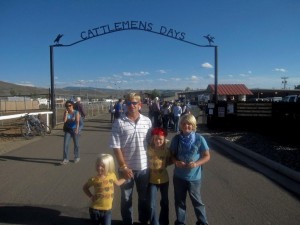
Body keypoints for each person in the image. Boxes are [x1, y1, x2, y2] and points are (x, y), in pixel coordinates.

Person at [110, 92, 152, 225]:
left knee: (144, 198)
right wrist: (123, 166)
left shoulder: (147, 121)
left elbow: (151, 143)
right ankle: (128, 222)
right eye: (129, 103)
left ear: (140, 105)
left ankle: (143, 221)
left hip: (144, 168)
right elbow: (116, 147)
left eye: (134, 103)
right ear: (125, 105)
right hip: (126, 169)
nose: (131, 105)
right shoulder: (118, 122)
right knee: (126, 198)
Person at [169, 114, 210, 225]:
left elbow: (207, 156)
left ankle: (202, 222)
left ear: (193, 126)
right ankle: (181, 222)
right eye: (184, 124)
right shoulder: (176, 139)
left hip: (194, 178)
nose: (186, 126)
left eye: (189, 124)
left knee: (197, 201)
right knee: (179, 201)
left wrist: (196, 164)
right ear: (180, 125)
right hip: (179, 177)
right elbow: (171, 155)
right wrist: (176, 162)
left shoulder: (199, 138)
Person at [83, 154, 126, 225]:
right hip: (95, 209)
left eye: (102, 166)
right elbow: (85, 188)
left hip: (107, 210)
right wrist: (91, 196)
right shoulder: (94, 179)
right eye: (98, 165)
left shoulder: (112, 175)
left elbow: (117, 183)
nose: (99, 168)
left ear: (109, 166)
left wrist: (125, 178)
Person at [147, 127, 171, 225]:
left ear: (164, 140)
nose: (158, 141)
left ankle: (164, 222)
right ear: (153, 139)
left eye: (160, 139)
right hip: (152, 181)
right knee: (152, 204)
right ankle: (154, 222)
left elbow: (171, 158)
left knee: (164, 202)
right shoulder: (149, 149)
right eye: (156, 139)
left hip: (164, 180)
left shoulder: (166, 150)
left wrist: (166, 164)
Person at [61, 100, 80, 165]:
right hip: (68, 130)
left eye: (69, 105)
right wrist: (66, 114)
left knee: (76, 144)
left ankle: (76, 157)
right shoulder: (66, 112)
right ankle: (65, 159)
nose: (68, 107)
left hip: (74, 129)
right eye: (67, 106)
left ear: (72, 105)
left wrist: (77, 129)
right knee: (65, 144)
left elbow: (77, 122)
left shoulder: (76, 112)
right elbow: (64, 121)